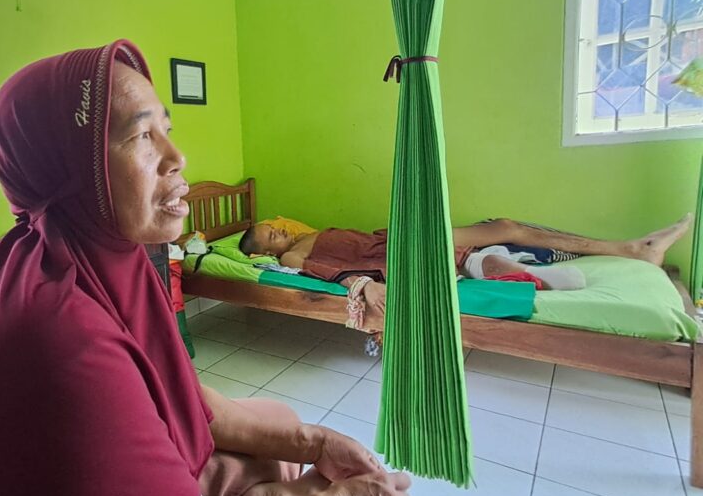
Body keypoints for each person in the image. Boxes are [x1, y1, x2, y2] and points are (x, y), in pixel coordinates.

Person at [0, 41, 411, 496]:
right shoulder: (60, 334)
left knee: (282, 426)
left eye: (166, 129)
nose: (178, 157)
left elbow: (189, 401)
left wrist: (316, 441)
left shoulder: (104, 259)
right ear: (71, 169)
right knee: (281, 467)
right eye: (141, 136)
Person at [238, 216, 692, 318]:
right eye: (269, 236)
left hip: (397, 236)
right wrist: (362, 283)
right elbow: (320, 272)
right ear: (262, 253)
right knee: (502, 233)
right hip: (395, 253)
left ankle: (631, 249)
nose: (278, 232)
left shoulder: (308, 229)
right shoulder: (289, 257)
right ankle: (634, 251)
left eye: (274, 227)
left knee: (506, 226)